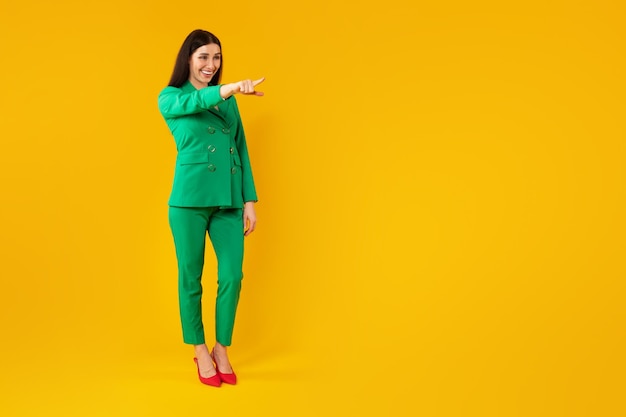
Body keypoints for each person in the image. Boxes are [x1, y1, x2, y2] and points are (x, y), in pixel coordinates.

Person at [157, 29, 264, 387]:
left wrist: (249, 200)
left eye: (216, 57)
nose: (211, 64)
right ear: (188, 59)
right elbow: (192, 104)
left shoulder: (227, 100)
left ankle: (222, 347)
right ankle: (200, 348)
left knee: (232, 275)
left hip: (229, 199)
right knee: (191, 278)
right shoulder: (170, 97)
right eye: (203, 57)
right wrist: (228, 88)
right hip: (189, 201)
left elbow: (241, 147)